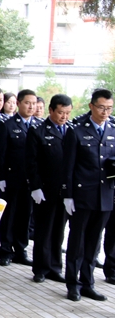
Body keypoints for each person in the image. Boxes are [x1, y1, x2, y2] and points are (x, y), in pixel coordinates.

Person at [61, 89, 115, 302]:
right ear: (91, 106)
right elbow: (68, 166)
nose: (105, 112)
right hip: (83, 194)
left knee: (94, 241)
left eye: (109, 108)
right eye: (101, 107)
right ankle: (72, 284)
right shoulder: (76, 131)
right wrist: (68, 194)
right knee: (77, 241)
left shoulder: (113, 130)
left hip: (105, 195)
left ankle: (87, 283)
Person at [27, 94, 71, 283]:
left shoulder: (70, 130)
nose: (64, 117)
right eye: (60, 112)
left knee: (59, 231)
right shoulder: (38, 131)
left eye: (67, 113)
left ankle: (55, 266)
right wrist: (35, 187)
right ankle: (41, 268)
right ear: (51, 110)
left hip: (64, 191)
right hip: (45, 189)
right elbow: (31, 162)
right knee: (44, 230)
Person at [0, 89, 38, 266]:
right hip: (11, 179)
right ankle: (5, 250)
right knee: (9, 216)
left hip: (29, 180)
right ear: (18, 103)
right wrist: (0, 176)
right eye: (27, 103)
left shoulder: (38, 126)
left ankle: (21, 250)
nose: (31, 107)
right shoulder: (7, 125)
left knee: (25, 216)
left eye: (33, 104)